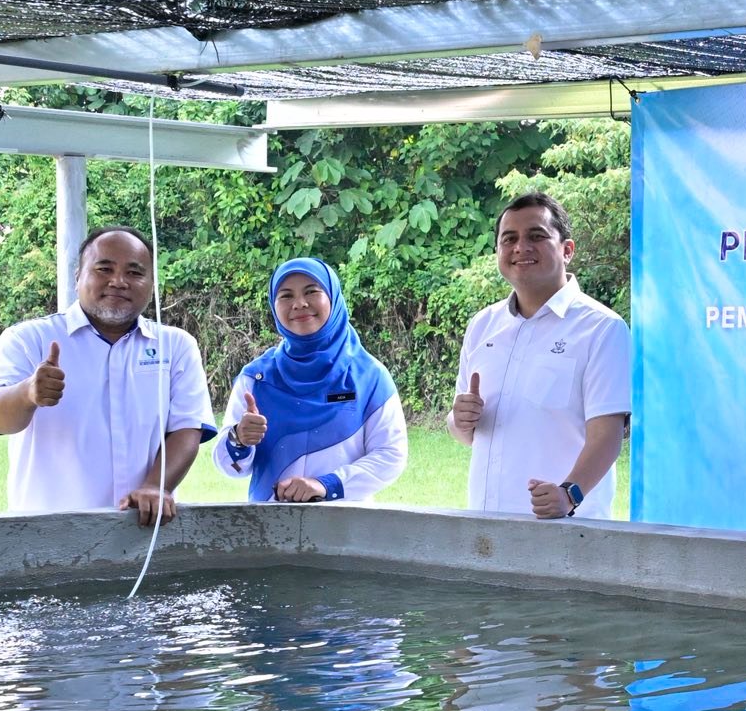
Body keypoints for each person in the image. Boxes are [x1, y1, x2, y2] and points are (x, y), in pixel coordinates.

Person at [0, 225, 215, 523]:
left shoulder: (176, 345)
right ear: (78, 276)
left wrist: (156, 486)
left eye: (134, 272)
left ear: (152, 284)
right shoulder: (28, 339)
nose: (118, 281)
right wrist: (27, 393)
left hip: (142, 529)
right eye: (104, 269)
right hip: (45, 532)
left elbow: (187, 428)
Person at [449, 192, 630, 519]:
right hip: (485, 525)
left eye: (536, 236)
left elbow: (607, 435)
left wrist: (569, 494)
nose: (521, 247)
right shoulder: (483, 325)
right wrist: (460, 421)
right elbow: (463, 432)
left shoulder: (601, 328)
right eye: (509, 239)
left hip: (566, 528)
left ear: (567, 250)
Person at [215, 257, 408, 502]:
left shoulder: (369, 377)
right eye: (286, 296)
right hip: (268, 522)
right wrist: (239, 439)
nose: (299, 303)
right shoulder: (257, 379)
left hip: (346, 522)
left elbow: (390, 455)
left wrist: (327, 485)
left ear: (333, 298)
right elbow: (230, 467)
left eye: (311, 291)